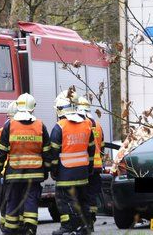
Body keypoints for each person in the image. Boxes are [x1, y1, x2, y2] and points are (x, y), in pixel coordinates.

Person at [0, 93, 51, 235]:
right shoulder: (40, 125)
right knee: (31, 200)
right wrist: (47, 170)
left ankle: (10, 230)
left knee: (13, 200)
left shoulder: (10, 125)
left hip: (14, 173)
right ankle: (30, 228)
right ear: (32, 108)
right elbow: (47, 151)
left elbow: (1, 151)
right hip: (35, 173)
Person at [50, 90, 95, 235]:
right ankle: (86, 227)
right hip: (82, 171)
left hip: (65, 172)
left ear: (60, 109)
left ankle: (68, 227)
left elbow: (54, 152)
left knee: (64, 201)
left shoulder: (60, 126)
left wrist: (54, 170)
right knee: (82, 200)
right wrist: (89, 167)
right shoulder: (87, 124)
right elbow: (91, 149)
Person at [77, 97, 105, 231]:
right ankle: (92, 218)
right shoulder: (98, 125)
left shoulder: (82, 124)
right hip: (97, 166)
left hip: (85, 165)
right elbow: (102, 145)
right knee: (93, 194)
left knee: (84, 194)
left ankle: (86, 220)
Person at [0, 101, 18, 230]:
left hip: (8, 170)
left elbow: (0, 153)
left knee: (7, 199)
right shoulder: (2, 131)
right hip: (11, 170)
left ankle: (6, 224)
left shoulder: (1, 131)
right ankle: (8, 223)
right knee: (10, 199)